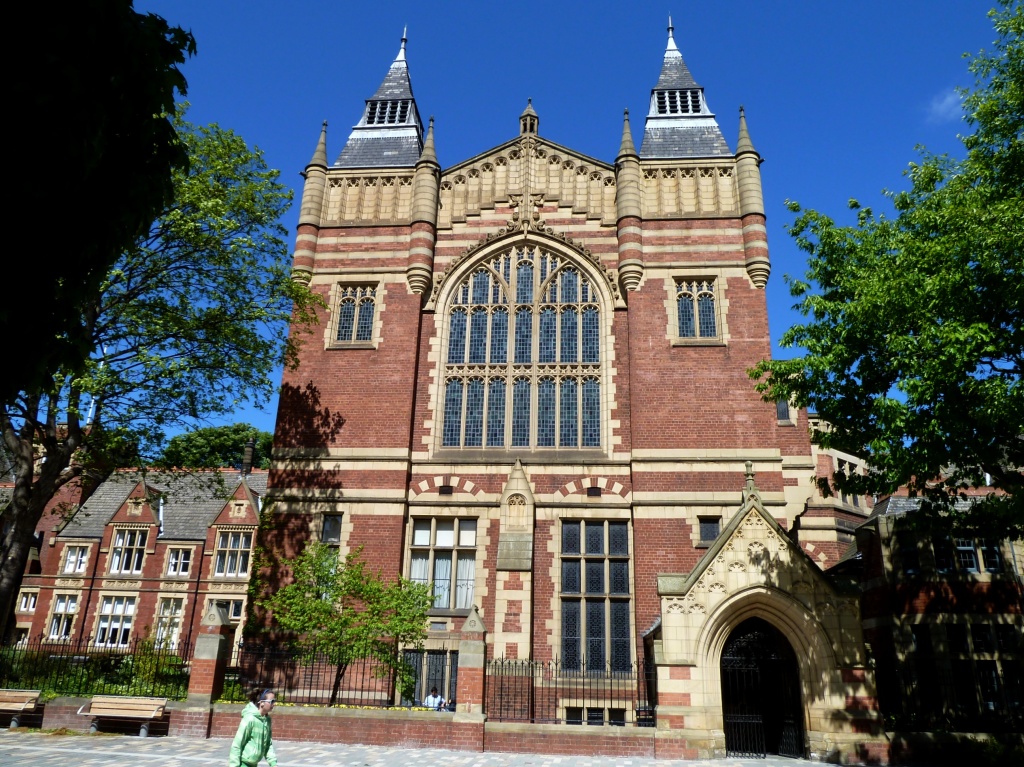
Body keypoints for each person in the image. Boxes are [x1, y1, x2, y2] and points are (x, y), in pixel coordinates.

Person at [229, 687, 278, 767]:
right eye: (271, 701)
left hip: (254, 764)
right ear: (261, 703)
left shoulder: (267, 720)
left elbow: (268, 744)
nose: (274, 704)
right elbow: (237, 745)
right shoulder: (249, 719)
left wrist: (273, 763)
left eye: (274, 701)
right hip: (243, 764)